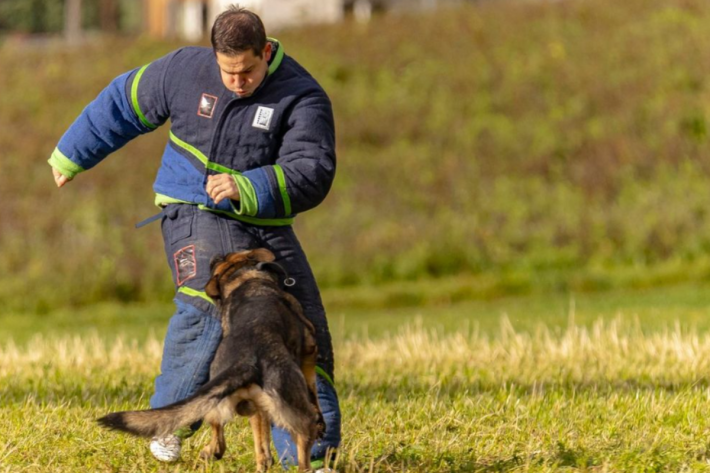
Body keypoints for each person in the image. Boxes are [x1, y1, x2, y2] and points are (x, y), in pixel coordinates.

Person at [49, 6, 341, 470]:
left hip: (264, 220)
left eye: (246, 71)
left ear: (266, 52)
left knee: (301, 325)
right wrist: (70, 155)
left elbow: (314, 170)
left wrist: (251, 187)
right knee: (208, 298)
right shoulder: (184, 69)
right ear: (213, 57)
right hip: (191, 207)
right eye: (227, 72)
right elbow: (123, 103)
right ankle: (167, 423)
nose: (237, 82)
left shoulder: (302, 96)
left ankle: (310, 452)